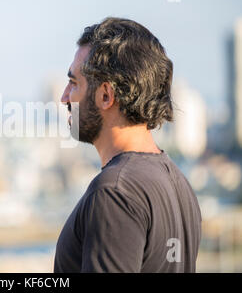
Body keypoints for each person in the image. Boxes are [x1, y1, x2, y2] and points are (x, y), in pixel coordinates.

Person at [54, 17, 202, 273]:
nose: (64, 96)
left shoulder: (114, 191)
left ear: (105, 95)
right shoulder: (178, 183)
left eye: (74, 83)